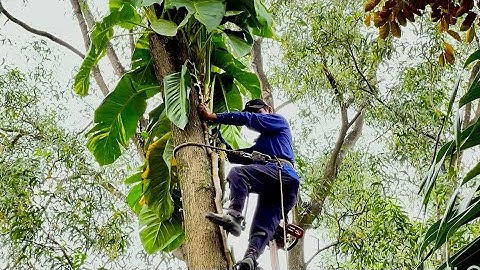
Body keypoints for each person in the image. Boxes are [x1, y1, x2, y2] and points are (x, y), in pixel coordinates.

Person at [198, 99, 301, 270]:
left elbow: (249, 119)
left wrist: (213, 117)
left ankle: (235, 216)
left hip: (282, 173)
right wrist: (221, 142)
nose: (254, 115)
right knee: (263, 225)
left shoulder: (278, 121)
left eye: (257, 112)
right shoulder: (264, 144)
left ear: (268, 109)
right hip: (284, 188)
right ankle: (251, 259)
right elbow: (239, 156)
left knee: (238, 174)